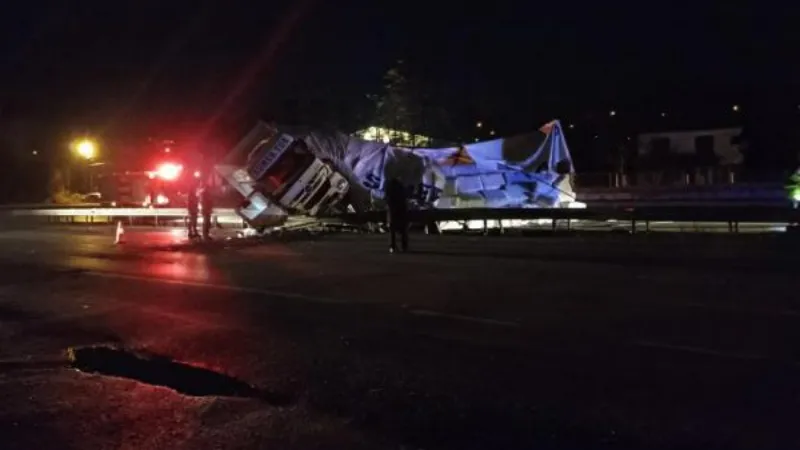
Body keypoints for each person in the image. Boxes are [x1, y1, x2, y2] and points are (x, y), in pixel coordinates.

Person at [385, 178, 409, 253]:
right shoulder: (402, 185)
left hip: (393, 208)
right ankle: (403, 246)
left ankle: (392, 246)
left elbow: (387, 196)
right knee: (403, 228)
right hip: (401, 208)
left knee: (392, 229)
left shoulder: (389, 184)